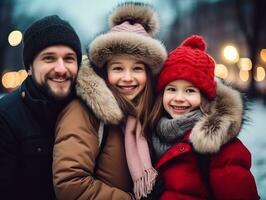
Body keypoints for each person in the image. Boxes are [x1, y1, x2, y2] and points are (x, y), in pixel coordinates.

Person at [52, 2, 167, 200]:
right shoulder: (84, 111)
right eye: (118, 68)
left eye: (137, 69)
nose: (128, 78)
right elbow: (70, 184)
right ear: (105, 71)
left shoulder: (151, 112)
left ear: (148, 74)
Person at [149, 35, 259, 200]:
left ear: (205, 98)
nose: (179, 98)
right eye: (171, 89)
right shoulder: (152, 135)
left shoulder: (219, 146)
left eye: (190, 91)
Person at [0, 15, 82, 200]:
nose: (61, 69)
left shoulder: (90, 111)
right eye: (49, 58)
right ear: (29, 67)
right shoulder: (5, 117)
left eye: (69, 58)